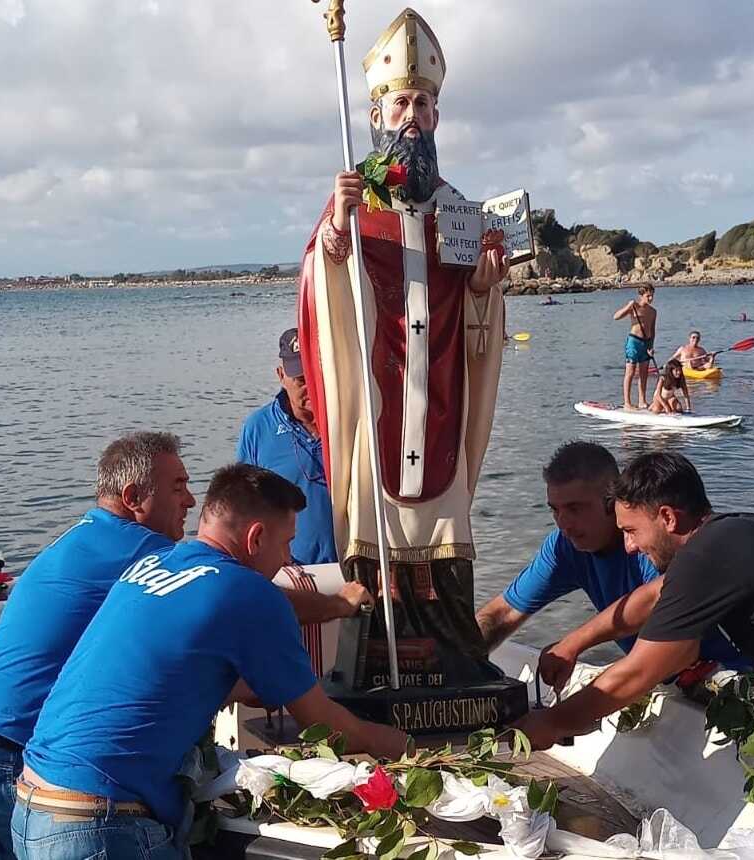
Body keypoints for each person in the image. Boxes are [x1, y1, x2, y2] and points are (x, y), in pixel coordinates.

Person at [12, 465, 407, 859]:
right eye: (287, 543)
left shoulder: (148, 566)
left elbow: (160, 674)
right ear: (256, 537)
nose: (288, 559)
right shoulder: (248, 591)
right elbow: (325, 727)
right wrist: (398, 745)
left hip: (33, 807)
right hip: (101, 824)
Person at [298, 8, 509, 688]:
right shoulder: (356, 200)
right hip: (383, 393)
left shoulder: (459, 208)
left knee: (443, 512)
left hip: (441, 387)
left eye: (422, 103)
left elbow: (477, 305)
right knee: (376, 511)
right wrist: (336, 230)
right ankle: (375, 663)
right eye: (400, 103)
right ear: (377, 114)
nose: (411, 115)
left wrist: (481, 286)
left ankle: (451, 659)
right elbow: (321, 284)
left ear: (437, 116)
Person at [0, 432, 196, 860]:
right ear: (133, 497)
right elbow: (227, 594)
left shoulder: (81, 538)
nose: (190, 500)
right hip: (8, 763)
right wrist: (341, 600)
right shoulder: (139, 548)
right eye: (179, 486)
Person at [518, 452, 754, 751]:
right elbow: (650, 597)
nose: (629, 547)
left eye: (631, 531)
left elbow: (642, 670)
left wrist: (553, 722)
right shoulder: (731, 534)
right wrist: (573, 643)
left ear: (667, 517)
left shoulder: (705, 557)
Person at [475, 442, 659, 656]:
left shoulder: (648, 544)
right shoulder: (564, 546)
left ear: (612, 501)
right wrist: (458, 656)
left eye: (574, 508)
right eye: (555, 510)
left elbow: (665, 632)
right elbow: (502, 615)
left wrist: (573, 644)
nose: (563, 523)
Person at [237, 328, 337, 566]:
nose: (311, 386)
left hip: (357, 567)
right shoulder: (258, 428)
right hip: (291, 572)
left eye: (316, 375)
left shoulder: (352, 420)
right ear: (281, 375)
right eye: (301, 379)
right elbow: (243, 505)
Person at [613, 284, 656, 410]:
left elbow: (652, 330)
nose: (651, 298)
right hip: (634, 342)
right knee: (630, 372)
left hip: (646, 343)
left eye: (652, 295)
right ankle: (627, 403)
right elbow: (616, 317)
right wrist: (628, 306)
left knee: (644, 373)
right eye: (648, 296)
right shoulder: (634, 306)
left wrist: (651, 346)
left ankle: (642, 401)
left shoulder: (653, 312)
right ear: (641, 296)